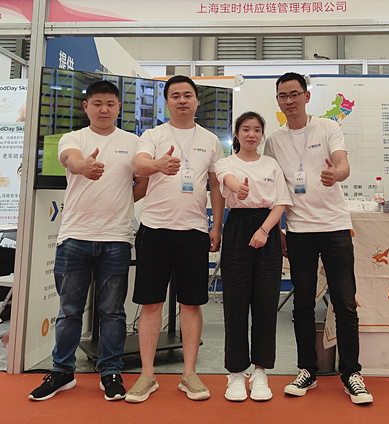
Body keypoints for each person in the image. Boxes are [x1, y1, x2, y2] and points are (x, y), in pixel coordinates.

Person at [29, 80, 147, 402]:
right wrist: (84, 167)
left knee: (113, 312)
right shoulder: (74, 138)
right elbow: (70, 160)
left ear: (119, 107)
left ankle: (110, 371)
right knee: (69, 311)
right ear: (86, 107)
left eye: (110, 103)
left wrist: (122, 200)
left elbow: (142, 183)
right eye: (97, 103)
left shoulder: (134, 142)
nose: (104, 109)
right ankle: (62, 372)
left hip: (116, 238)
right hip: (74, 237)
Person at [263, 72, 373, 405]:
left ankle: (352, 373)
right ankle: (307, 370)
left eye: (294, 94)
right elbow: (273, 189)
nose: (289, 101)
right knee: (302, 304)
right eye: (283, 96)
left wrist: (336, 174)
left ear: (306, 96)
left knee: (345, 302)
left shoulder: (327, 127)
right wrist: (278, 228)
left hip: (335, 227)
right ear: (278, 101)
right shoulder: (274, 141)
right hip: (299, 232)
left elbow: (343, 164)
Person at [126, 75, 225, 404]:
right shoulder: (153, 135)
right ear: (166, 101)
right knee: (151, 303)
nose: (182, 100)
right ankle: (147, 375)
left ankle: (189, 373)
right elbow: (139, 165)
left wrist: (216, 226)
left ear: (196, 100)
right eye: (175, 96)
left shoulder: (210, 140)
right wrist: (158, 164)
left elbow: (216, 186)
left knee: (191, 303)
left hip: (194, 230)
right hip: (154, 228)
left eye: (187, 95)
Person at [214, 111, 291, 402]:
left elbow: (281, 201)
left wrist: (264, 230)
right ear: (236, 134)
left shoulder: (271, 164)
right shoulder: (226, 162)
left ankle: (260, 371)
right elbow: (227, 180)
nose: (251, 134)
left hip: (266, 229)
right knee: (235, 303)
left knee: (265, 303)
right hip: (236, 228)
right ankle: (236, 373)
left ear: (262, 135)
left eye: (257, 130)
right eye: (245, 129)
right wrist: (239, 188)